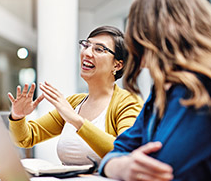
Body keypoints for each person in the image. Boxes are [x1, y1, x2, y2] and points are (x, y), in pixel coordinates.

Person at [99, 0, 211, 181]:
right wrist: (120, 166)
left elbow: (160, 170)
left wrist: (124, 164)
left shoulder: (201, 89)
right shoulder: (159, 95)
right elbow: (119, 148)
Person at [8, 26, 143, 165]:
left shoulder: (128, 102)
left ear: (117, 65)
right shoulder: (74, 102)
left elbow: (126, 151)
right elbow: (26, 138)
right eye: (86, 45)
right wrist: (18, 116)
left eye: (99, 49)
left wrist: (76, 121)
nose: (87, 53)